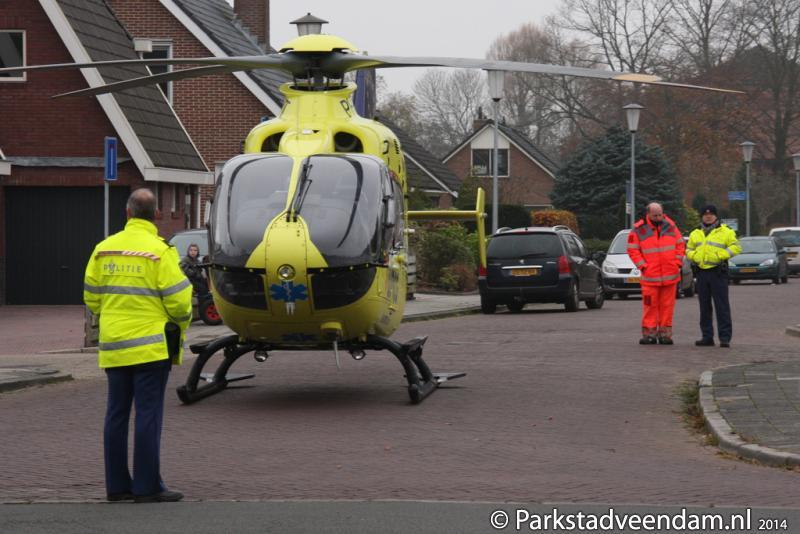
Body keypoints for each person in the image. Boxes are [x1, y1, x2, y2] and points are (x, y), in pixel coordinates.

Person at [83, 188, 192, 503]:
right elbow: (179, 302)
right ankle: (147, 487)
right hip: (150, 348)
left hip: (115, 346)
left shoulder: (103, 249)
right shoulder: (161, 251)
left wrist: (112, 316)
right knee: (147, 415)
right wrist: (179, 323)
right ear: (156, 215)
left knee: (116, 414)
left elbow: (91, 297)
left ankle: (117, 486)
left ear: (128, 213)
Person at [627, 202, 686, 345]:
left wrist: (677, 263)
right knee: (650, 306)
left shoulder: (671, 226)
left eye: (660, 215)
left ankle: (665, 335)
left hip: (670, 276)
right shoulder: (639, 229)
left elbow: (680, 245)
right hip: (650, 277)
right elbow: (632, 249)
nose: (658, 218)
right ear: (648, 214)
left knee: (667, 307)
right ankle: (649, 335)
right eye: (655, 215)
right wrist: (643, 266)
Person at [686, 204, 741, 348]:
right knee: (704, 307)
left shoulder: (726, 231)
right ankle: (707, 337)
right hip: (702, 272)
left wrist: (720, 255)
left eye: (711, 214)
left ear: (716, 216)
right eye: (705, 214)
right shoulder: (695, 233)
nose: (708, 216)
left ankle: (724, 338)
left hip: (718, 272)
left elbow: (736, 247)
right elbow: (688, 249)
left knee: (722, 306)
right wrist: (695, 256)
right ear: (702, 217)